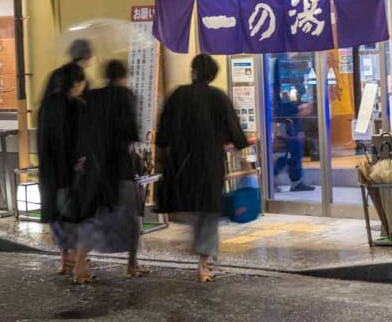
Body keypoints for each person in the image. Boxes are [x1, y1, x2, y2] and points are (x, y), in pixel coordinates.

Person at [156, 53, 247, 283]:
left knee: (194, 209)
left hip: (183, 163)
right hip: (209, 164)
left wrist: (161, 158)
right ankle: (203, 264)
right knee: (208, 213)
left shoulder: (178, 95)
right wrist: (243, 157)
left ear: (194, 72)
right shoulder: (218, 97)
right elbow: (235, 133)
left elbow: (163, 131)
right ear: (212, 75)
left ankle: (200, 250)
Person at [72, 59, 148, 284]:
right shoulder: (125, 96)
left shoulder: (92, 97)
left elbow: (81, 127)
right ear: (123, 76)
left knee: (93, 217)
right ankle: (132, 265)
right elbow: (133, 132)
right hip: (120, 167)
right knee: (131, 218)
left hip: (95, 168)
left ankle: (80, 266)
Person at [36, 61, 87, 275]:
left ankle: (64, 256)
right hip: (70, 171)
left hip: (49, 172)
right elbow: (83, 142)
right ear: (75, 83)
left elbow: (42, 141)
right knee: (72, 215)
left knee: (55, 215)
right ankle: (75, 257)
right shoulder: (77, 107)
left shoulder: (46, 107)